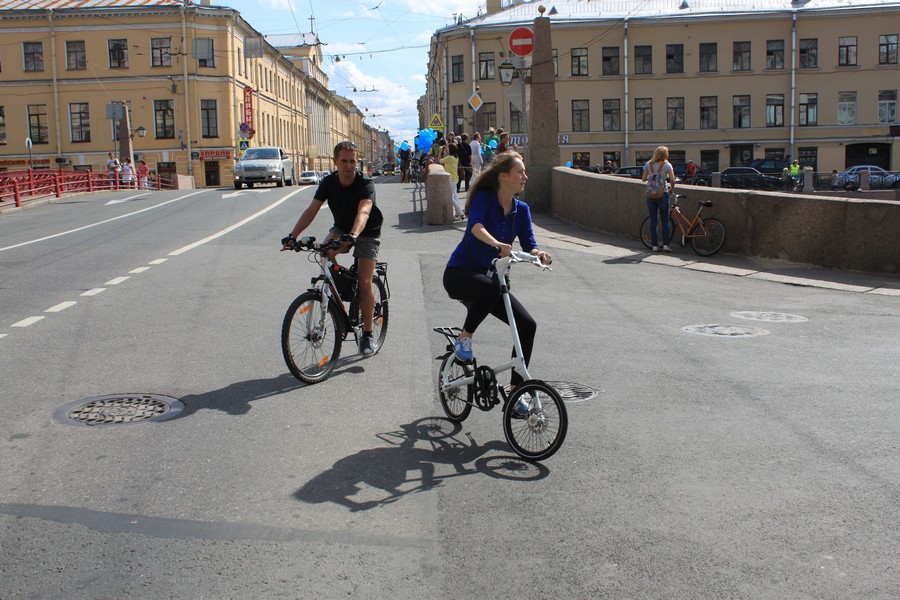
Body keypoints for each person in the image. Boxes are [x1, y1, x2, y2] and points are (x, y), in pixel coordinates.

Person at [442, 151, 552, 415]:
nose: (525, 176)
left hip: (492, 282)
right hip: (460, 274)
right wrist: (496, 244)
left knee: (527, 325)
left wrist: (540, 255)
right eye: (520, 172)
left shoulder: (521, 210)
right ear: (504, 176)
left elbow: (529, 244)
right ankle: (464, 339)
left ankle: (515, 392)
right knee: (491, 286)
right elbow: (475, 227)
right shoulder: (484, 198)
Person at [281, 141, 384, 356]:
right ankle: (344, 287)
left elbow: (364, 212)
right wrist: (293, 236)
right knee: (325, 252)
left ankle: (367, 334)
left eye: (352, 161)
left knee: (365, 282)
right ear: (335, 161)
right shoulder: (328, 182)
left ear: (357, 162)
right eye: (344, 161)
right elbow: (311, 210)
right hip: (342, 227)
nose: (348, 165)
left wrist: (354, 236)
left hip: (366, 230)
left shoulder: (365, 184)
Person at [641, 145, 676, 252]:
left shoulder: (648, 164)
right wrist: (671, 189)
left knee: (653, 221)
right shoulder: (667, 165)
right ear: (666, 154)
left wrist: (651, 176)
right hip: (662, 194)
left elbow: (643, 179)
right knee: (665, 221)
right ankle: (665, 245)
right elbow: (672, 180)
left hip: (650, 195)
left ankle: (654, 246)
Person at [440, 143, 465, 220]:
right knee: (455, 196)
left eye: (447, 148)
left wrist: (440, 152)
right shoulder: (455, 157)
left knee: (450, 197)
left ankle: (460, 212)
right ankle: (458, 213)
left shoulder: (449, 158)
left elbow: (440, 161)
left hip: (451, 179)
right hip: (455, 179)